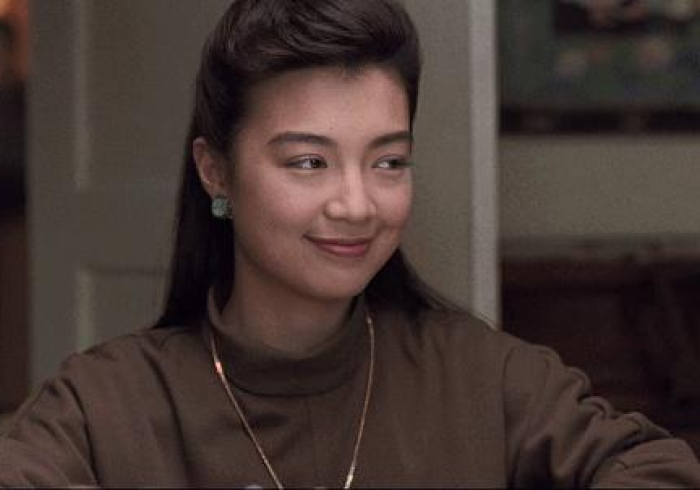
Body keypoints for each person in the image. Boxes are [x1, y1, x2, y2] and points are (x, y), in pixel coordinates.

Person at [1, 0, 700, 487]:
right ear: (215, 170)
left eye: (388, 161)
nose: (357, 204)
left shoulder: (481, 377)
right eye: (309, 161)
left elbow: (657, 467)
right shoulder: (104, 406)